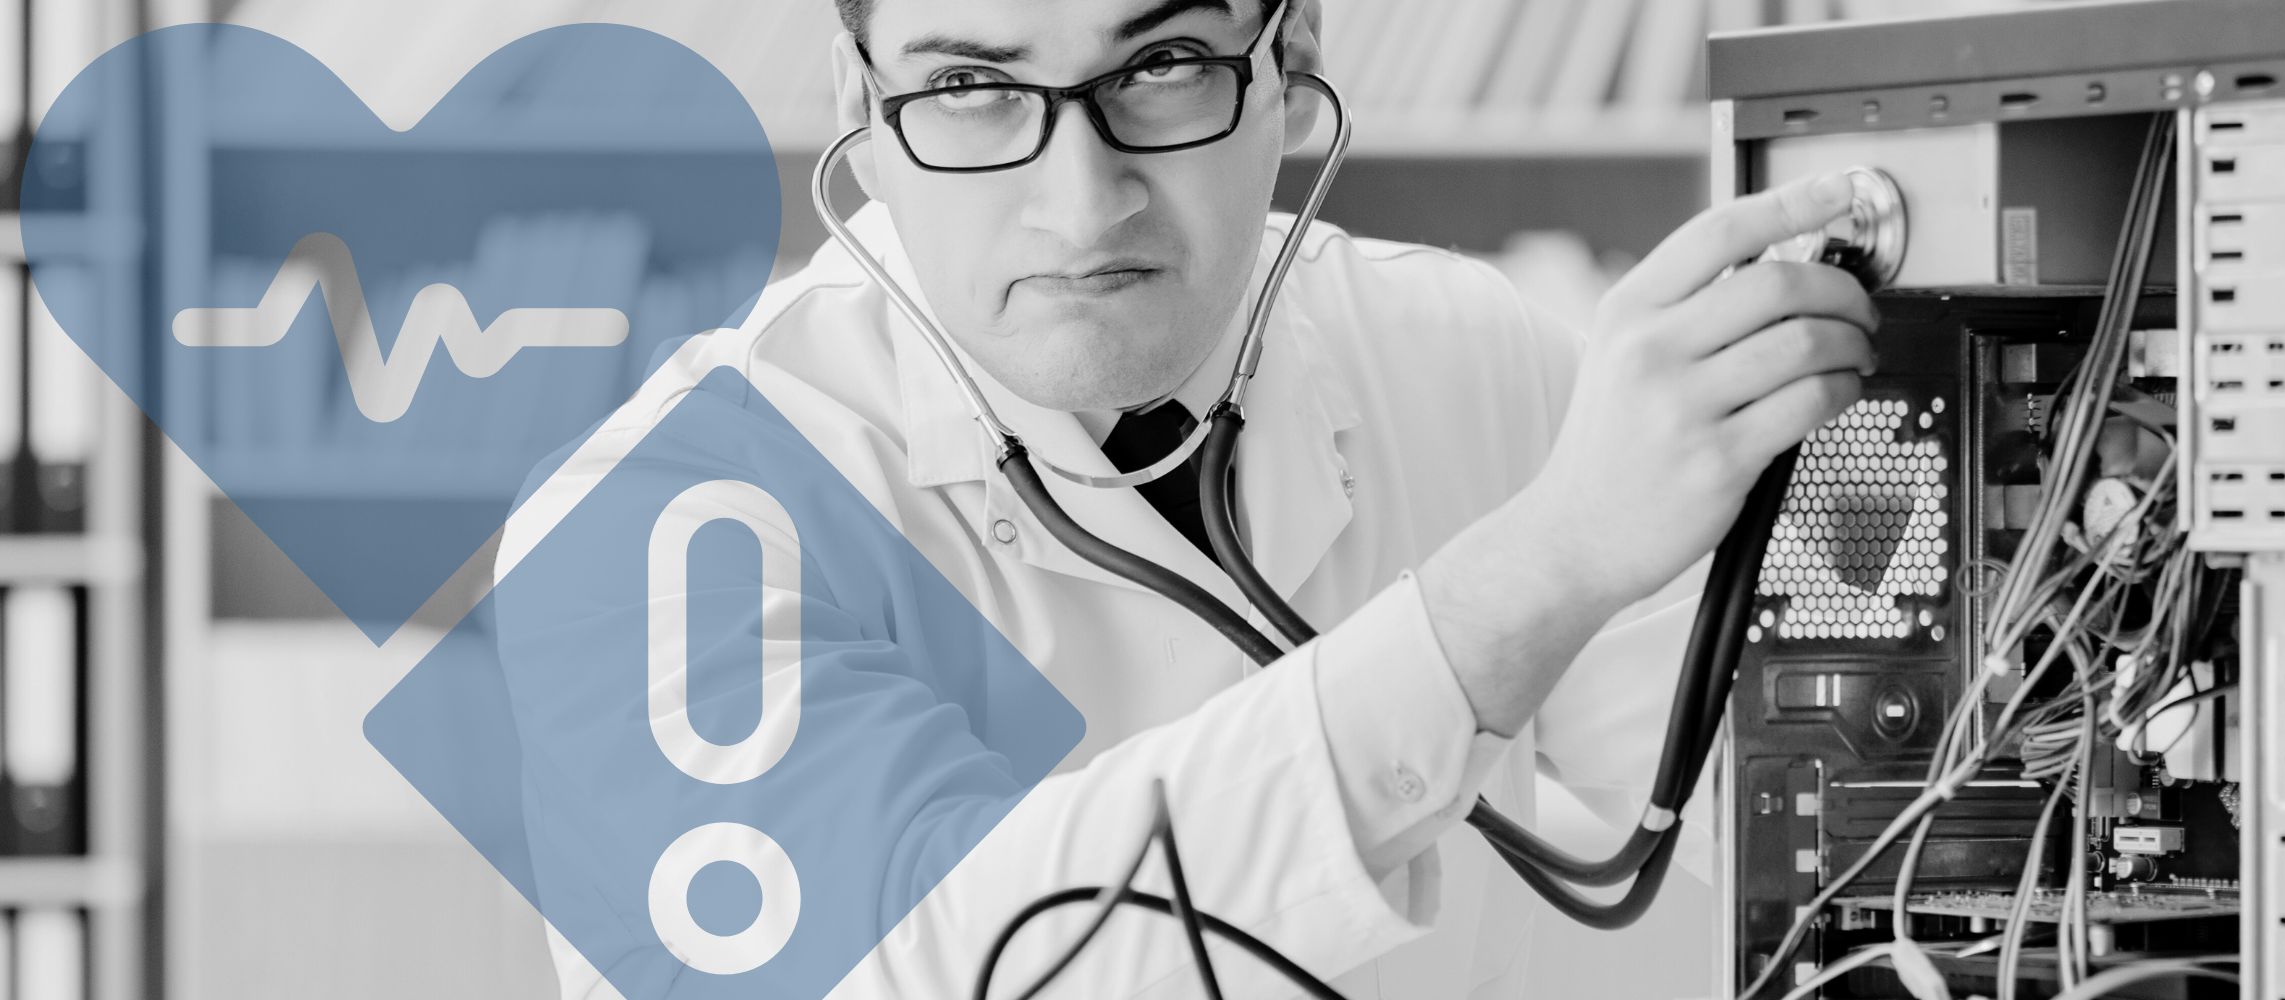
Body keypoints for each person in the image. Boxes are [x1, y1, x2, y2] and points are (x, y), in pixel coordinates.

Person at [503, 0, 1876, 995]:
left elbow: (1823, 833)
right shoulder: (645, 521)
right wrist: (1530, 575)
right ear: (863, 107)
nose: (1079, 199)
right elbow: (921, 965)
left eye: (1160, 64)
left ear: (1289, 59)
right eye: (974, 80)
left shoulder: (1469, 354)